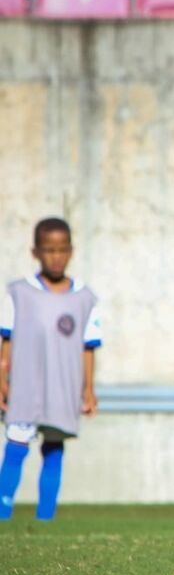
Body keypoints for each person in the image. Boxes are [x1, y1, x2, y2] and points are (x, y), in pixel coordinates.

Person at [0, 218, 101, 520]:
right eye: (48, 250)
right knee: (16, 447)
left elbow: (88, 347)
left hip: (64, 386)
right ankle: (3, 513)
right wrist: (3, 378)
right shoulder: (19, 292)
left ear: (71, 251)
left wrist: (89, 389)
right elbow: (7, 339)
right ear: (36, 252)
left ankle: (46, 517)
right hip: (26, 386)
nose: (55, 257)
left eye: (61, 250)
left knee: (54, 447)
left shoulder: (85, 298)